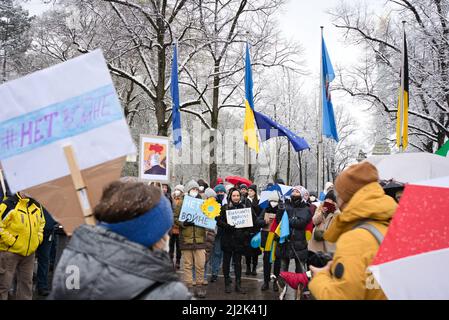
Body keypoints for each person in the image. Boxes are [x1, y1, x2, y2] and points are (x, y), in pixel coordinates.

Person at [49, 180, 190, 300]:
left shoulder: (71, 265)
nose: (167, 237)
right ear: (150, 236)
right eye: (164, 232)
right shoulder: (171, 293)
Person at [309, 162, 397, 300]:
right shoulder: (395, 225)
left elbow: (341, 297)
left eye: (338, 194)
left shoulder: (356, 239)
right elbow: (371, 282)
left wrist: (320, 278)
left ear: (345, 197)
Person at [0, 192, 45, 300]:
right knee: (3, 286)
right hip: (9, 253)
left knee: (26, 285)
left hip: (29, 254)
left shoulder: (37, 205)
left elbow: (41, 224)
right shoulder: (8, 204)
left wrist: (37, 240)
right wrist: (12, 242)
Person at [217, 188, 259, 294]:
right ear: (230, 196)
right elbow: (218, 221)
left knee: (238, 263)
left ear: (240, 197)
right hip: (227, 239)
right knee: (226, 262)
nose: (236, 197)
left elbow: (251, 222)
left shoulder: (244, 207)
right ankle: (227, 284)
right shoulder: (225, 208)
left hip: (239, 241)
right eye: (234, 195)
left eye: (238, 196)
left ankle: (238, 285)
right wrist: (227, 226)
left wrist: (246, 233)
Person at [177, 180, 208, 299]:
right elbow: (175, 217)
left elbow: (209, 217)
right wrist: (183, 223)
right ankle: (189, 287)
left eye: (196, 189)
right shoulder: (181, 203)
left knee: (200, 264)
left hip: (200, 239)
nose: (194, 191)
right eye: (192, 189)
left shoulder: (203, 203)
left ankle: (199, 288)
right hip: (186, 238)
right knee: (188, 265)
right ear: (188, 191)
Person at [275, 186, 311, 275]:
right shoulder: (285, 205)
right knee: (283, 272)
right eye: (293, 191)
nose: (294, 193)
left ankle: (299, 288)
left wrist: (287, 220)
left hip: (299, 244)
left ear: (301, 195)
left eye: (297, 192)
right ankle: (282, 287)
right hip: (285, 243)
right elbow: (279, 221)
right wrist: (280, 210)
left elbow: (301, 223)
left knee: (300, 272)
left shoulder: (306, 208)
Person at [257, 191, 282, 292]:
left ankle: (275, 282)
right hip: (267, 238)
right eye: (271, 200)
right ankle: (266, 282)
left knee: (277, 261)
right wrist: (264, 222)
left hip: (277, 239)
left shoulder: (281, 210)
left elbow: (284, 224)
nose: (273, 203)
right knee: (266, 260)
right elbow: (258, 221)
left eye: (275, 201)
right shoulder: (265, 209)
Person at [308, 190, 340, 254]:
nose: (328, 201)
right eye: (327, 198)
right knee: (316, 260)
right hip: (317, 240)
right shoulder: (320, 207)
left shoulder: (338, 212)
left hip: (329, 243)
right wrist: (321, 213)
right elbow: (314, 221)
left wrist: (335, 211)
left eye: (331, 199)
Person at [36, 207, 58, 297]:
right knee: (25, 260)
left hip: (47, 231)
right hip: (33, 232)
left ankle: (42, 286)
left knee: (44, 259)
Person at [209, 184, 227, 283]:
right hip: (218, 233)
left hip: (227, 233)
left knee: (227, 255)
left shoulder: (228, 203)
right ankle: (214, 273)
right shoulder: (212, 204)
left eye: (222, 192)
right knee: (217, 253)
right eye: (218, 192)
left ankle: (226, 274)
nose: (220, 193)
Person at [245, 184, 261, 276]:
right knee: (247, 250)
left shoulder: (259, 201)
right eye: (249, 190)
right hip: (247, 228)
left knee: (255, 248)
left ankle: (254, 267)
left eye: (251, 191)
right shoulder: (245, 200)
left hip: (256, 228)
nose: (249, 192)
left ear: (255, 192)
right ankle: (248, 267)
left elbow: (260, 213)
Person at [170, 184, 184, 269]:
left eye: (179, 190)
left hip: (179, 227)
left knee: (179, 246)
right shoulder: (171, 199)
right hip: (171, 226)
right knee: (170, 245)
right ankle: (171, 260)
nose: (177, 191)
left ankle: (178, 261)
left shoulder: (184, 200)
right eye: (176, 189)